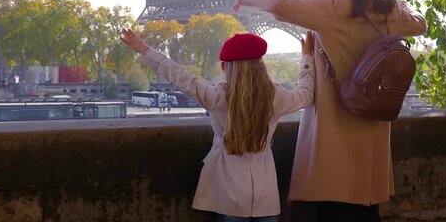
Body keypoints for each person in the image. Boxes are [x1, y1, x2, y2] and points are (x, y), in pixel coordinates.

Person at [233, 0, 427, 221]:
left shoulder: (334, 5)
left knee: (333, 206)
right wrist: (401, 3)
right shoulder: (388, 11)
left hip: (335, 133)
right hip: (372, 135)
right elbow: (420, 23)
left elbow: (280, 4)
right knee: (365, 210)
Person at [120, 29, 316, 222]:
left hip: (229, 197)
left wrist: (144, 49)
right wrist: (307, 58)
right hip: (267, 197)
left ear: (225, 67)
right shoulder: (276, 97)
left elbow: (180, 76)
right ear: (261, 65)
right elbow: (306, 94)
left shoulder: (217, 98)